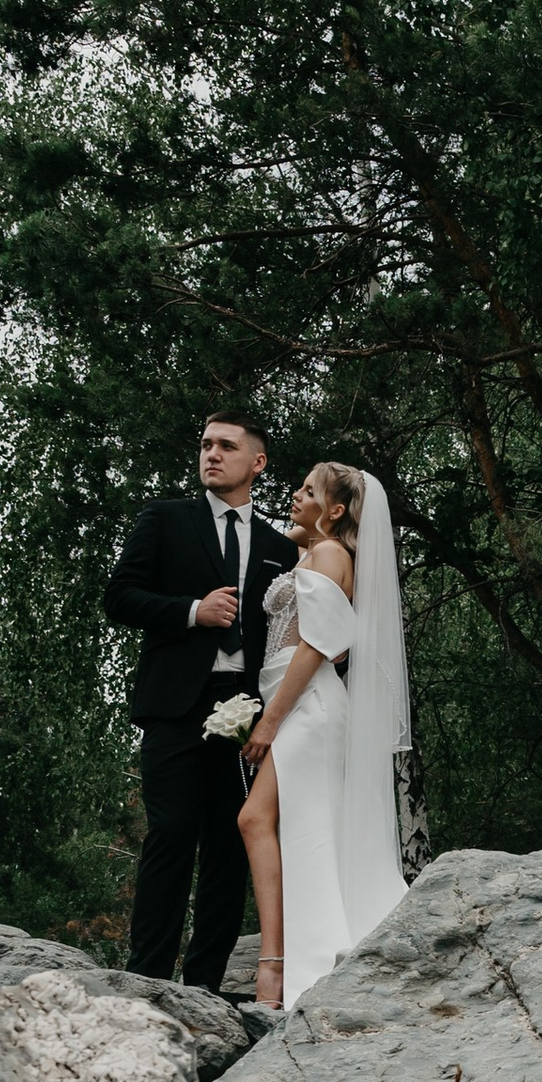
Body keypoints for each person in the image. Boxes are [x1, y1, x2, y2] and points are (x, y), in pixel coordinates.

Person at [105, 414, 296, 989]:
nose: (211, 454)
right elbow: (120, 597)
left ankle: (205, 986)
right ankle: (148, 979)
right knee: (169, 835)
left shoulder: (277, 546)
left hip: (248, 714)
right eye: (206, 445)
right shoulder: (165, 518)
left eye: (226, 446)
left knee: (229, 847)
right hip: (175, 707)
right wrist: (193, 611)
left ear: (256, 463)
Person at [237, 461, 414, 1013]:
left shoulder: (332, 554)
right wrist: (308, 525)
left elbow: (322, 645)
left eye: (308, 491)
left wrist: (269, 722)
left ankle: (279, 970)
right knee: (292, 825)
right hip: (300, 701)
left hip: (306, 705)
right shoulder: (319, 550)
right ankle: (284, 965)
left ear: (336, 511)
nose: (295, 494)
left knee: (256, 820)